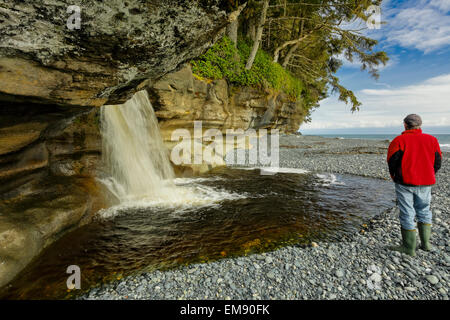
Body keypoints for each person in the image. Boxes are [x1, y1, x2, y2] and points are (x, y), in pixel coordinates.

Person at [386, 114, 442, 256]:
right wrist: (429, 174)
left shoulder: (399, 140)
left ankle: (409, 248)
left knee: (407, 212)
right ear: (420, 125)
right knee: (424, 210)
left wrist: (395, 177)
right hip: (426, 181)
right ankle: (426, 244)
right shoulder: (432, 140)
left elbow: (392, 162)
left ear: (405, 125)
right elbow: (437, 162)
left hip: (405, 182)